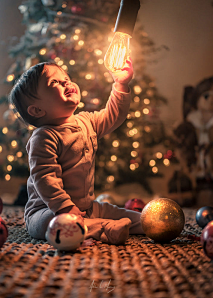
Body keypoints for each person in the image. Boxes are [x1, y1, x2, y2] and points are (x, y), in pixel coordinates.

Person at [9, 58, 144, 245]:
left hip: (86, 207)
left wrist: (121, 84)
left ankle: (147, 223)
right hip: (48, 210)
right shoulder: (44, 137)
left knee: (138, 219)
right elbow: (45, 178)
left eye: (65, 77)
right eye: (54, 82)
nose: (66, 81)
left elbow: (114, 115)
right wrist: (65, 208)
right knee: (52, 225)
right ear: (37, 110)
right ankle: (104, 228)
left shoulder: (86, 121)